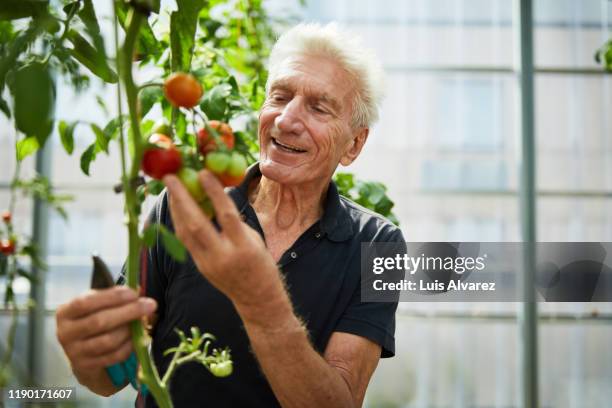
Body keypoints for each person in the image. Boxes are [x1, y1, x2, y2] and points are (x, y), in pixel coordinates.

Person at [56, 22, 405, 407]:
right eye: (279, 97)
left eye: (319, 107)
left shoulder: (379, 244)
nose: (286, 120)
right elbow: (112, 377)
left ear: (353, 144)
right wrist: (90, 354)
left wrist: (259, 301)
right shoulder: (184, 208)